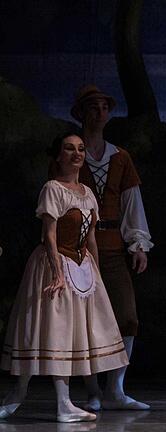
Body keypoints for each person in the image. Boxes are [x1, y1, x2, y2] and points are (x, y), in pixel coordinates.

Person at [0, 133, 129, 423]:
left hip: (82, 269)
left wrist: (96, 275)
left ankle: (59, 403)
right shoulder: (52, 189)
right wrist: (58, 273)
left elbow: (91, 238)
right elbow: (49, 234)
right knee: (50, 332)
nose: (76, 154)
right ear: (58, 156)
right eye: (69, 149)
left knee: (70, 335)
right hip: (54, 265)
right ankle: (31, 398)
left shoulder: (87, 192)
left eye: (81, 149)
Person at [60, 85, 153, 411]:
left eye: (105, 107)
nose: (101, 113)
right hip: (76, 250)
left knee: (127, 316)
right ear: (82, 113)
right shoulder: (70, 152)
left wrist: (138, 244)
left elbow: (132, 204)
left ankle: (116, 387)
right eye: (94, 107)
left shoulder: (120, 157)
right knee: (86, 321)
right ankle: (93, 390)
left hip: (112, 246)